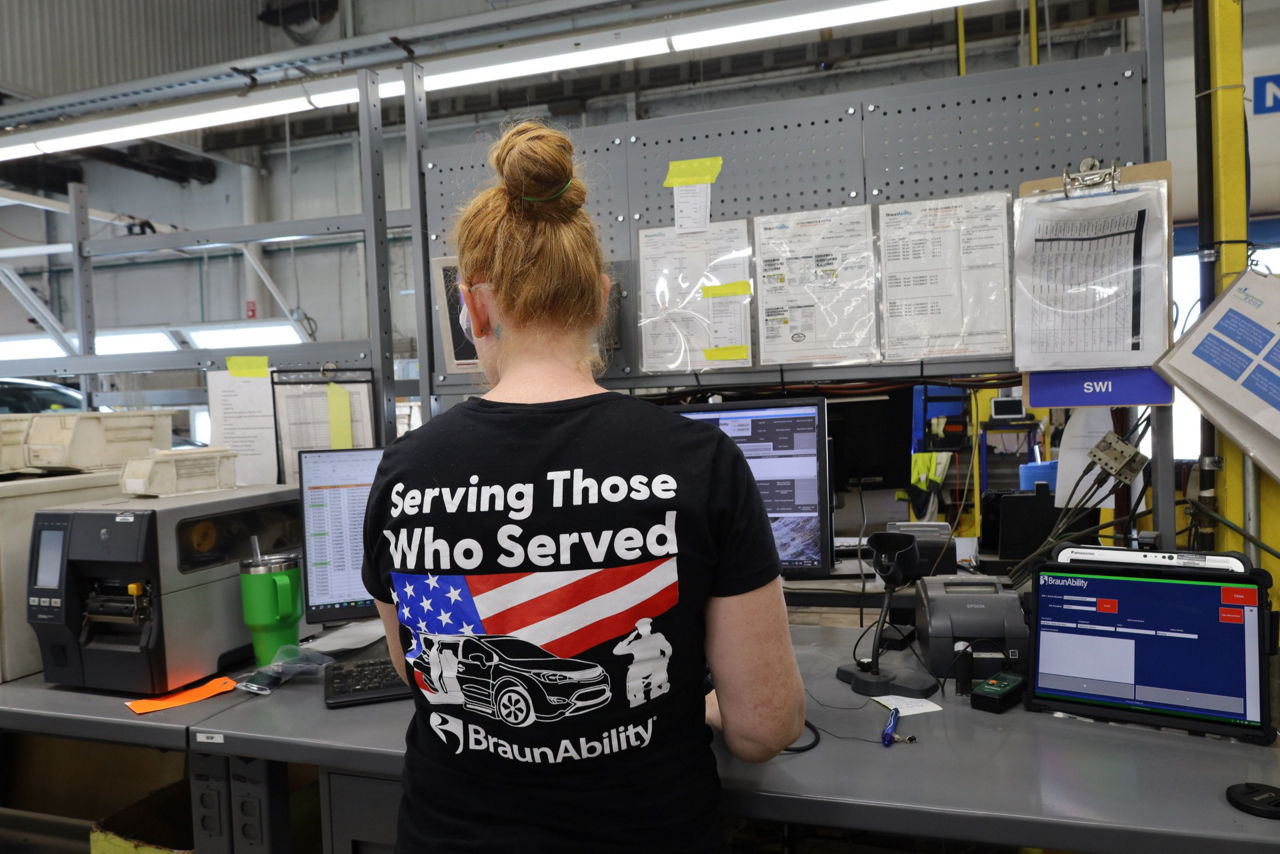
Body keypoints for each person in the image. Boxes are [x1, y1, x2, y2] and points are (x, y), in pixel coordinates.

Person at [362, 119, 804, 853]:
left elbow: (418, 673)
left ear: (473, 308)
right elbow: (765, 728)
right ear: (601, 299)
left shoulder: (406, 471)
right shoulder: (699, 460)